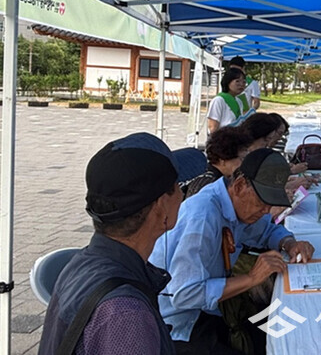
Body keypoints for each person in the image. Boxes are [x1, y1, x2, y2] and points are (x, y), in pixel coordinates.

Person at [39, 132, 204, 355]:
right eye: (178, 187)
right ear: (161, 207)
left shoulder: (85, 262)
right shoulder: (126, 313)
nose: (182, 196)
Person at [149, 149, 315, 354]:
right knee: (267, 335)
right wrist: (251, 278)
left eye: (270, 204)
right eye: (262, 203)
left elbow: (266, 230)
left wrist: (288, 243)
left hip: (213, 308)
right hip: (180, 324)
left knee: (276, 330)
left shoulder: (239, 206)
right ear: (239, 185)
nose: (266, 211)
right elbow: (185, 294)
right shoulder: (202, 217)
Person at [184, 126, 253, 199]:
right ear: (223, 160)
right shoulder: (207, 184)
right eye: (242, 159)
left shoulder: (219, 178)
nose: (245, 163)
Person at [207, 68, 252, 133]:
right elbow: (212, 127)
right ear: (228, 82)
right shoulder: (218, 100)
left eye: (244, 82)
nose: (241, 84)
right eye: (237, 81)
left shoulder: (239, 101)